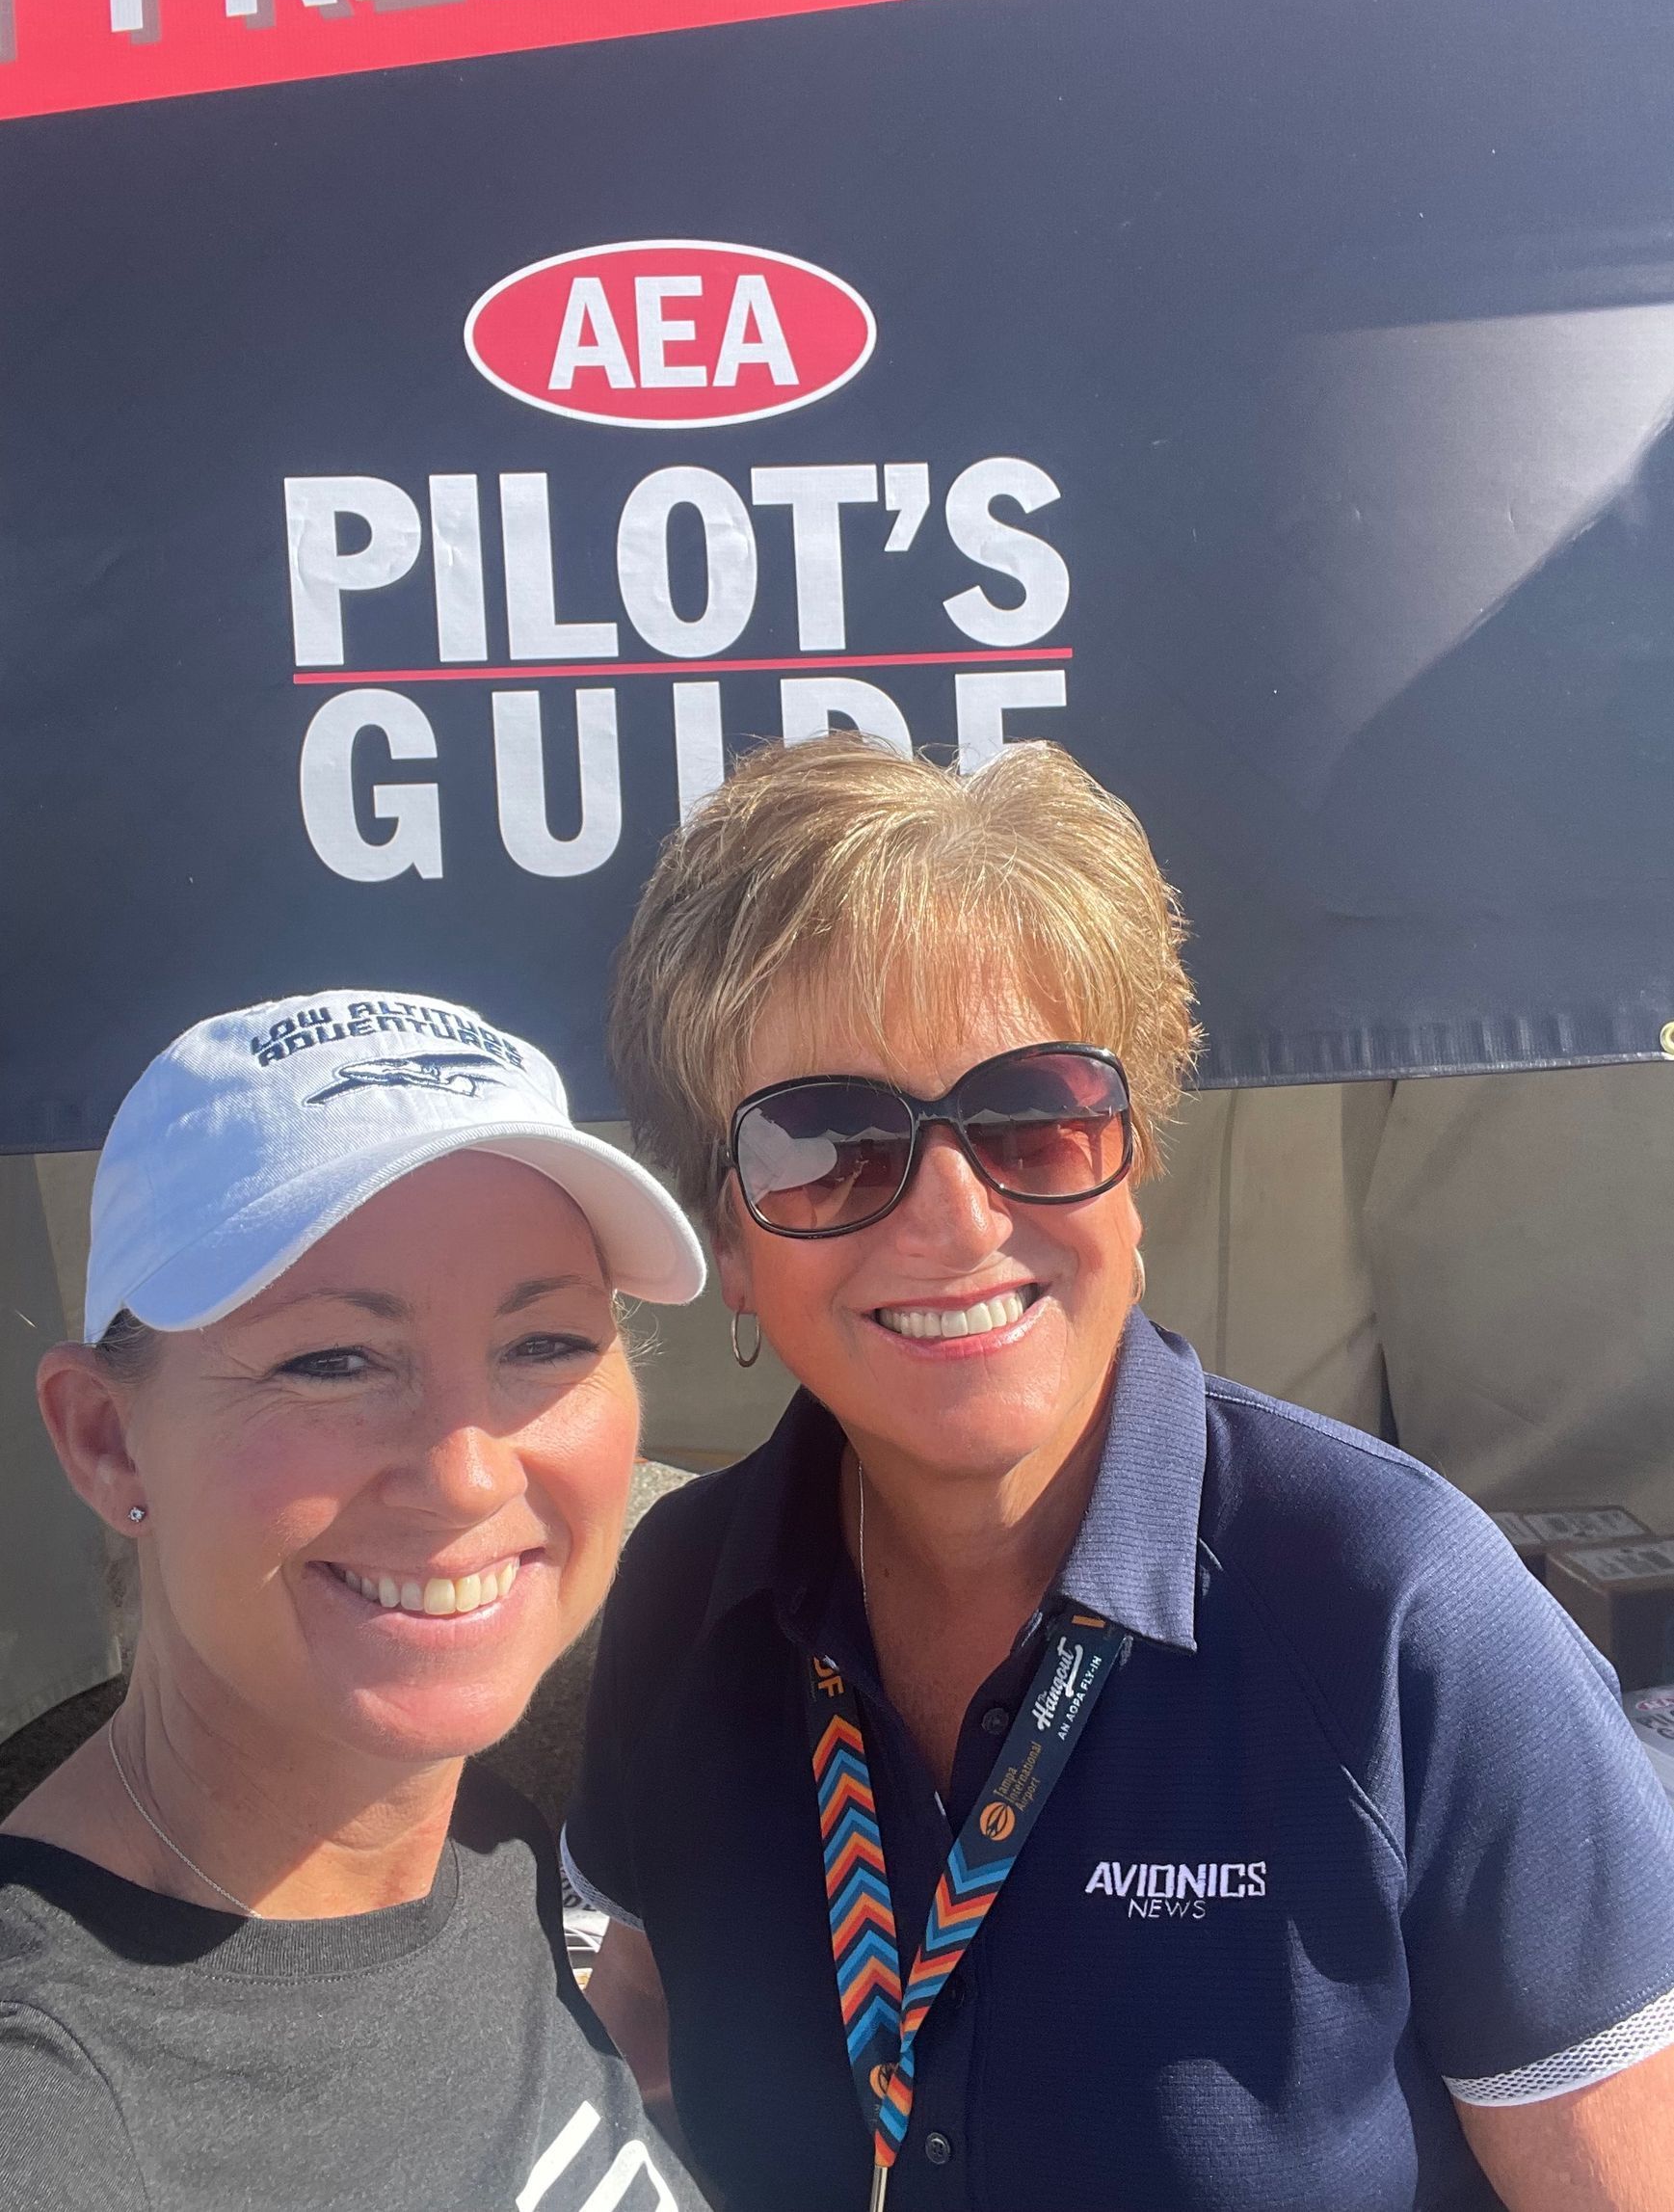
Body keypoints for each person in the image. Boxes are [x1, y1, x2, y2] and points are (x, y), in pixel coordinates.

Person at [565, 735, 1674, 2212]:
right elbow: (637, 2011)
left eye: (1031, 1117)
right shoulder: (679, 1596)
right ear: (732, 1246)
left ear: (1133, 1159)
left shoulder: (1403, 1615)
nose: (957, 1218)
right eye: (830, 1142)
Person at [0, 989, 712, 2212]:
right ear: (108, 1440)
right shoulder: (55, 2116)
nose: (468, 1473)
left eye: (543, 1342)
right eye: (331, 1361)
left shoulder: (477, 1841)